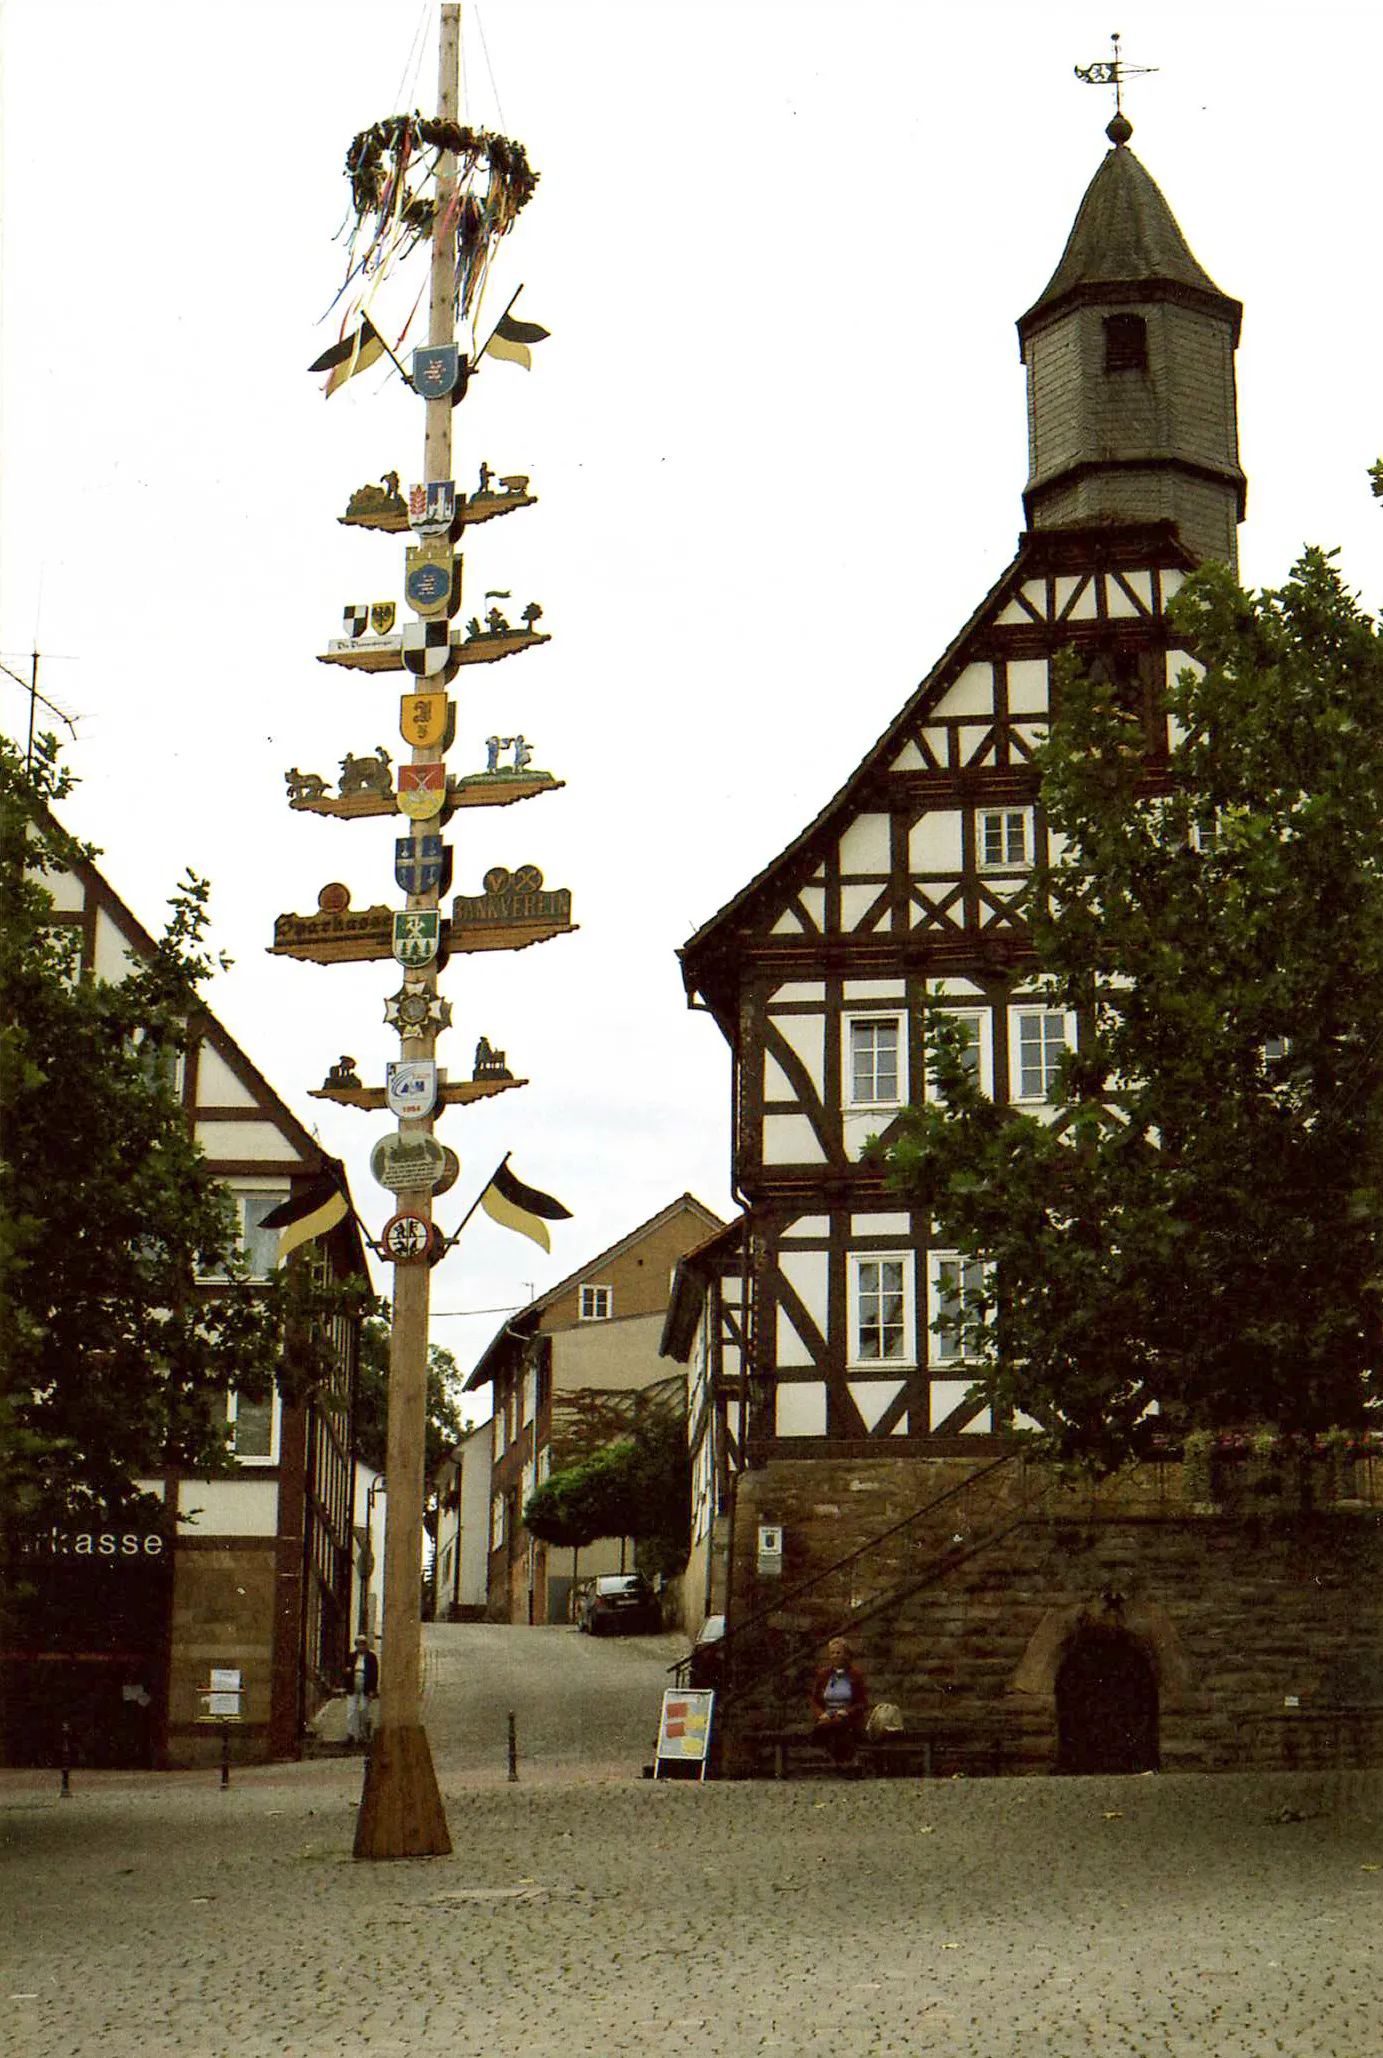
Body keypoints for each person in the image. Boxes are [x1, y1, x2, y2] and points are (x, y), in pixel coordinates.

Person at [809, 1636, 869, 1771]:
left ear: (846, 1655)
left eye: (838, 1653)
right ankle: (846, 1761)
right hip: (827, 1716)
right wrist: (821, 1714)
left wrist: (848, 1711)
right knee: (830, 1726)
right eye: (832, 1653)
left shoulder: (855, 1675)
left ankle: (842, 1762)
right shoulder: (823, 1674)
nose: (835, 1656)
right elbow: (813, 1700)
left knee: (839, 1726)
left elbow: (862, 1702)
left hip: (848, 1718)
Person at [345, 1636, 379, 1749]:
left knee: (364, 1709)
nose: (361, 1646)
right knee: (351, 1710)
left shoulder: (371, 1657)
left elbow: (374, 1674)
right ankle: (352, 1734)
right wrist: (348, 1672)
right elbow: (345, 1669)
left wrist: (372, 1690)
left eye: (363, 1644)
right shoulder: (351, 1657)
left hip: (366, 1686)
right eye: (359, 1644)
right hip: (353, 1686)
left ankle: (363, 1733)